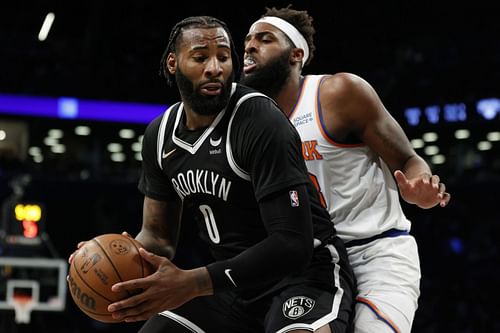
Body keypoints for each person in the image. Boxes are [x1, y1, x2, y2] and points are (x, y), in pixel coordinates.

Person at [98, 15, 355, 333]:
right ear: (172, 63)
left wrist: (192, 281)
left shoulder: (259, 120)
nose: (215, 68)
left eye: (223, 56)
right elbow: (159, 237)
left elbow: (293, 245)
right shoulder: (159, 135)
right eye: (200, 57)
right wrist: (112, 256)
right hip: (231, 285)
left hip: (303, 275)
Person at [240, 6, 451, 333]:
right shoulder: (250, 121)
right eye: (248, 41)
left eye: (264, 39)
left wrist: (419, 188)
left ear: (296, 54)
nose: (250, 46)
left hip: (375, 254)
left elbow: (408, 159)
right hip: (311, 265)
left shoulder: (338, 94)